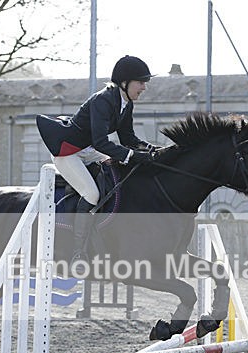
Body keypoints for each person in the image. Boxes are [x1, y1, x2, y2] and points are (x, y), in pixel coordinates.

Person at [36, 55, 159, 269]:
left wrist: (152, 150)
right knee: (91, 194)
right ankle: (78, 252)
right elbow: (101, 141)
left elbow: (128, 138)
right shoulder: (103, 100)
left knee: (115, 174)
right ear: (125, 82)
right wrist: (131, 156)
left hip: (87, 150)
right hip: (68, 153)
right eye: (141, 82)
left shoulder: (125, 103)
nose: (144, 87)